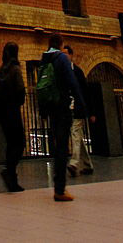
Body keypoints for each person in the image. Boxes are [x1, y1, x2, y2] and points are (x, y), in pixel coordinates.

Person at [38, 34, 83, 202]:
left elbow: (41, 85)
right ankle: (60, 189)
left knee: (58, 144)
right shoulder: (62, 59)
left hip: (50, 107)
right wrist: (81, 104)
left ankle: (59, 186)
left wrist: (42, 109)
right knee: (63, 146)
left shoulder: (45, 59)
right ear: (61, 44)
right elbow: (72, 82)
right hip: (62, 106)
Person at [0, 42, 26, 192]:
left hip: (1, 112)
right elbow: (20, 90)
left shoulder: (1, 70)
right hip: (12, 111)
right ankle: (9, 171)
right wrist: (18, 102)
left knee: (11, 143)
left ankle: (12, 179)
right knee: (19, 143)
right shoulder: (15, 69)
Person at [64, 45, 94, 176]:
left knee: (75, 134)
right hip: (67, 109)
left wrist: (91, 112)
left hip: (78, 109)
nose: (63, 56)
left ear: (71, 55)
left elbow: (86, 92)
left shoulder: (78, 71)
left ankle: (74, 163)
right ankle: (88, 165)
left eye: (65, 54)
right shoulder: (62, 72)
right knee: (78, 138)